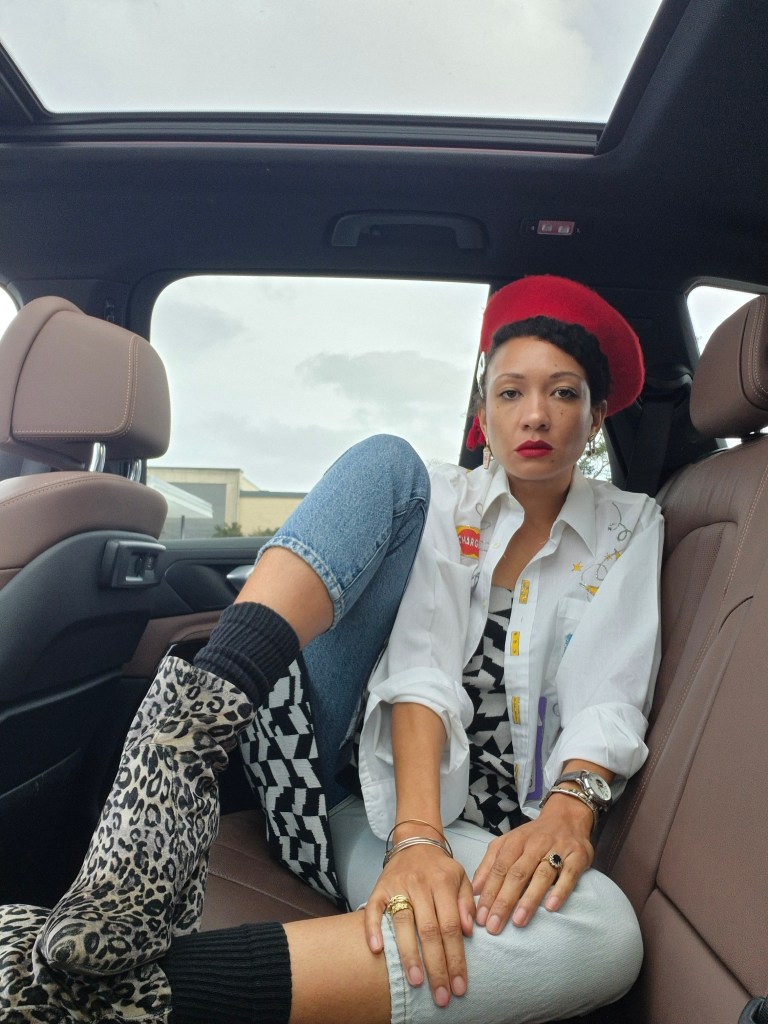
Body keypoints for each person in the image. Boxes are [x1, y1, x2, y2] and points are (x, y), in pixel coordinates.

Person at [0, 275, 662, 1024]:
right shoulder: (445, 499)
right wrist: (416, 839)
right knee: (388, 461)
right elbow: (421, 667)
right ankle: (178, 750)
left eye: (564, 393)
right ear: (483, 415)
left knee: (605, 935)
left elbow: (611, 685)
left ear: (597, 416)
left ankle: (95, 995)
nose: (535, 414)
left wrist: (571, 810)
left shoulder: (632, 524)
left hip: (459, 827)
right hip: (354, 774)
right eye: (510, 393)